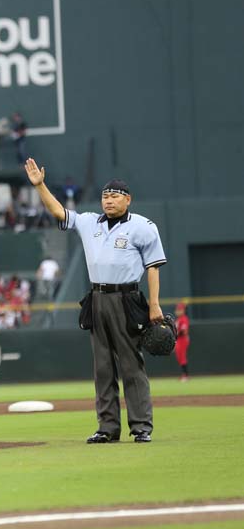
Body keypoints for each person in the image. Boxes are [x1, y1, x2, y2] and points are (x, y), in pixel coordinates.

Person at [25, 158, 166, 444]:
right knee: (102, 367)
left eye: (115, 196)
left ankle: (141, 427)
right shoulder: (89, 221)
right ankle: (107, 427)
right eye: (105, 196)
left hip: (127, 297)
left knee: (131, 365)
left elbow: (153, 268)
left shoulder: (143, 227)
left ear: (128, 200)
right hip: (98, 298)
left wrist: (154, 304)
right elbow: (58, 211)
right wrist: (40, 186)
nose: (109, 200)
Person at [175, 302, 190, 381]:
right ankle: (184, 374)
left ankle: (186, 375)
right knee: (179, 357)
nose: (178, 311)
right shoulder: (178, 319)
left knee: (182, 357)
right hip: (178, 340)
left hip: (182, 339)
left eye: (180, 309)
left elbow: (184, 331)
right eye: (177, 309)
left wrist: (176, 334)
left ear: (183, 310)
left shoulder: (184, 318)